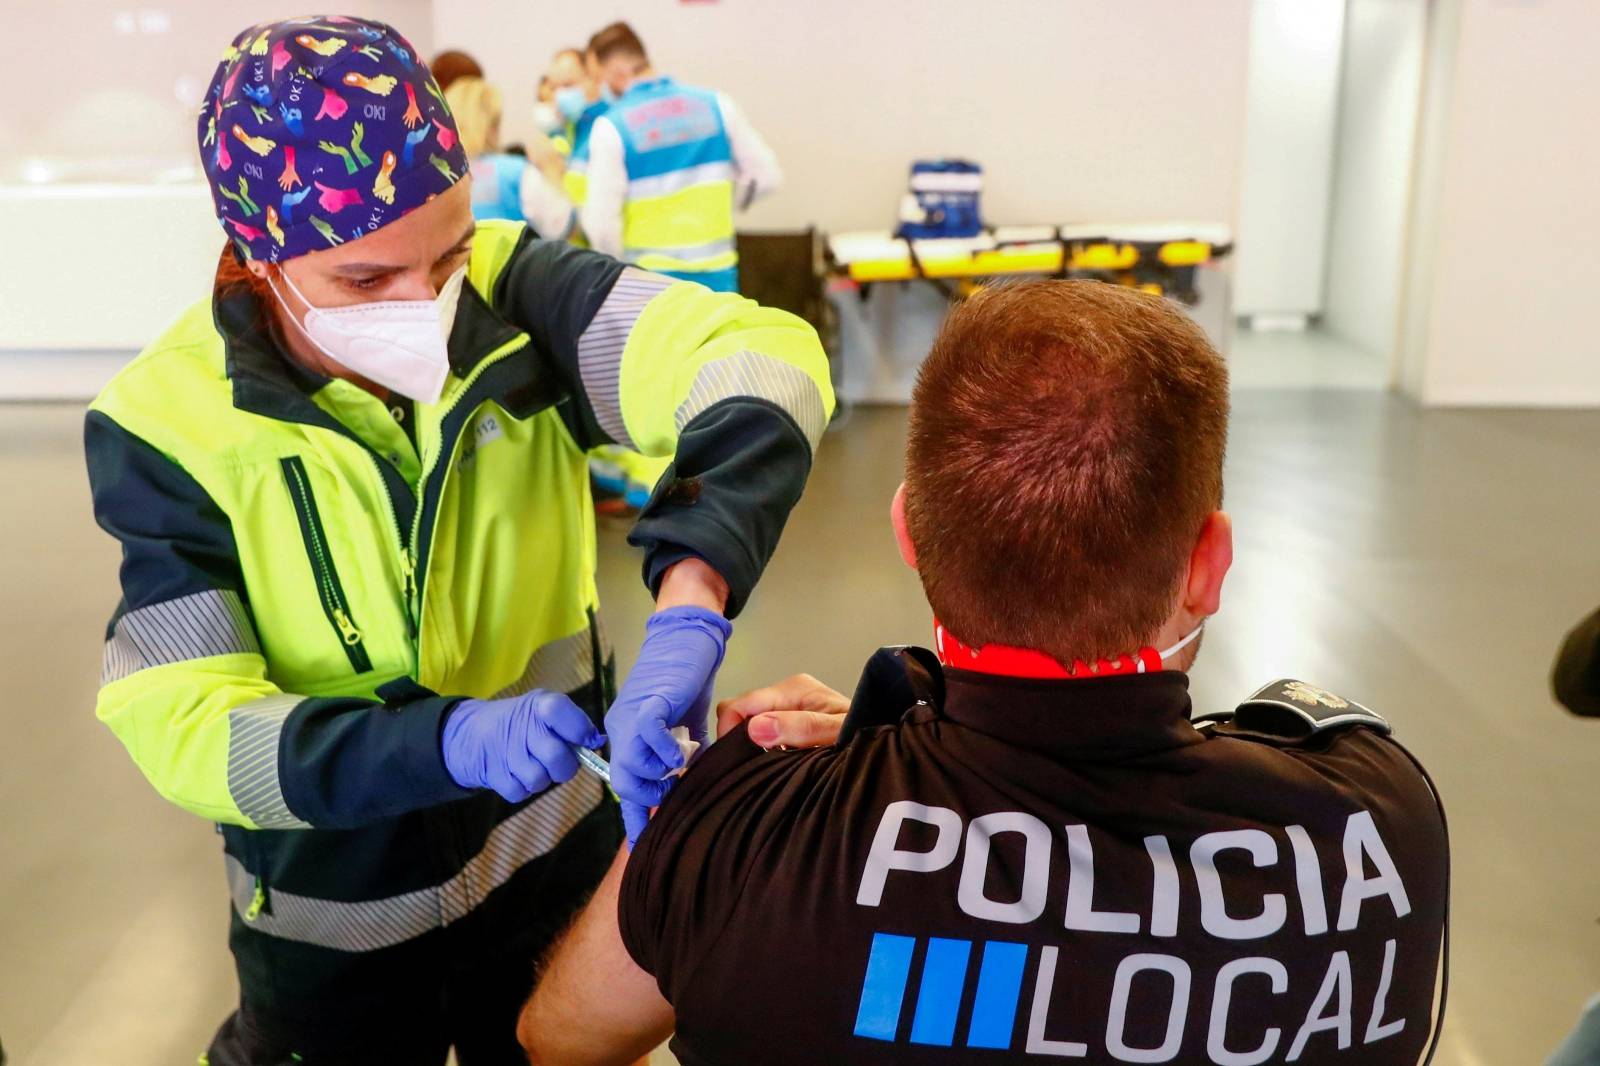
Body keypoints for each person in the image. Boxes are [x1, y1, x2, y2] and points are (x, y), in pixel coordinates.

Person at [85, 16, 832, 1065]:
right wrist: (435, 745)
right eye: (363, 279)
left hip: (552, 878)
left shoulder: (515, 299)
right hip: (334, 930)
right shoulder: (165, 425)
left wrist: (694, 587)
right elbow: (185, 720)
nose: (424, 306)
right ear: (260, 255)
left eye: (447, 252)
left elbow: (763, 360)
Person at [519, 280, 1450, 1065]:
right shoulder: (1376, 823)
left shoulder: (748, 833)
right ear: (1210, 564)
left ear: (908, 533)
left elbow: (559, 1040)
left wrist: (710, 814)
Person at [579, 21, 782, 293]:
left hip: (649, 287)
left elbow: (601, 226)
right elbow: (767, 177)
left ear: (616, 72)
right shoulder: (718, 106)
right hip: (718, 280)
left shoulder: (611, 127)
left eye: (598, 77)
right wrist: (727, 201)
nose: (597, 87)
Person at [444, 74, 575, 238]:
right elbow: (560, 226)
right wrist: (553, 171)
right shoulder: (515, 172)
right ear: (491, 123)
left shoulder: (438, 176)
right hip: (511, 262)